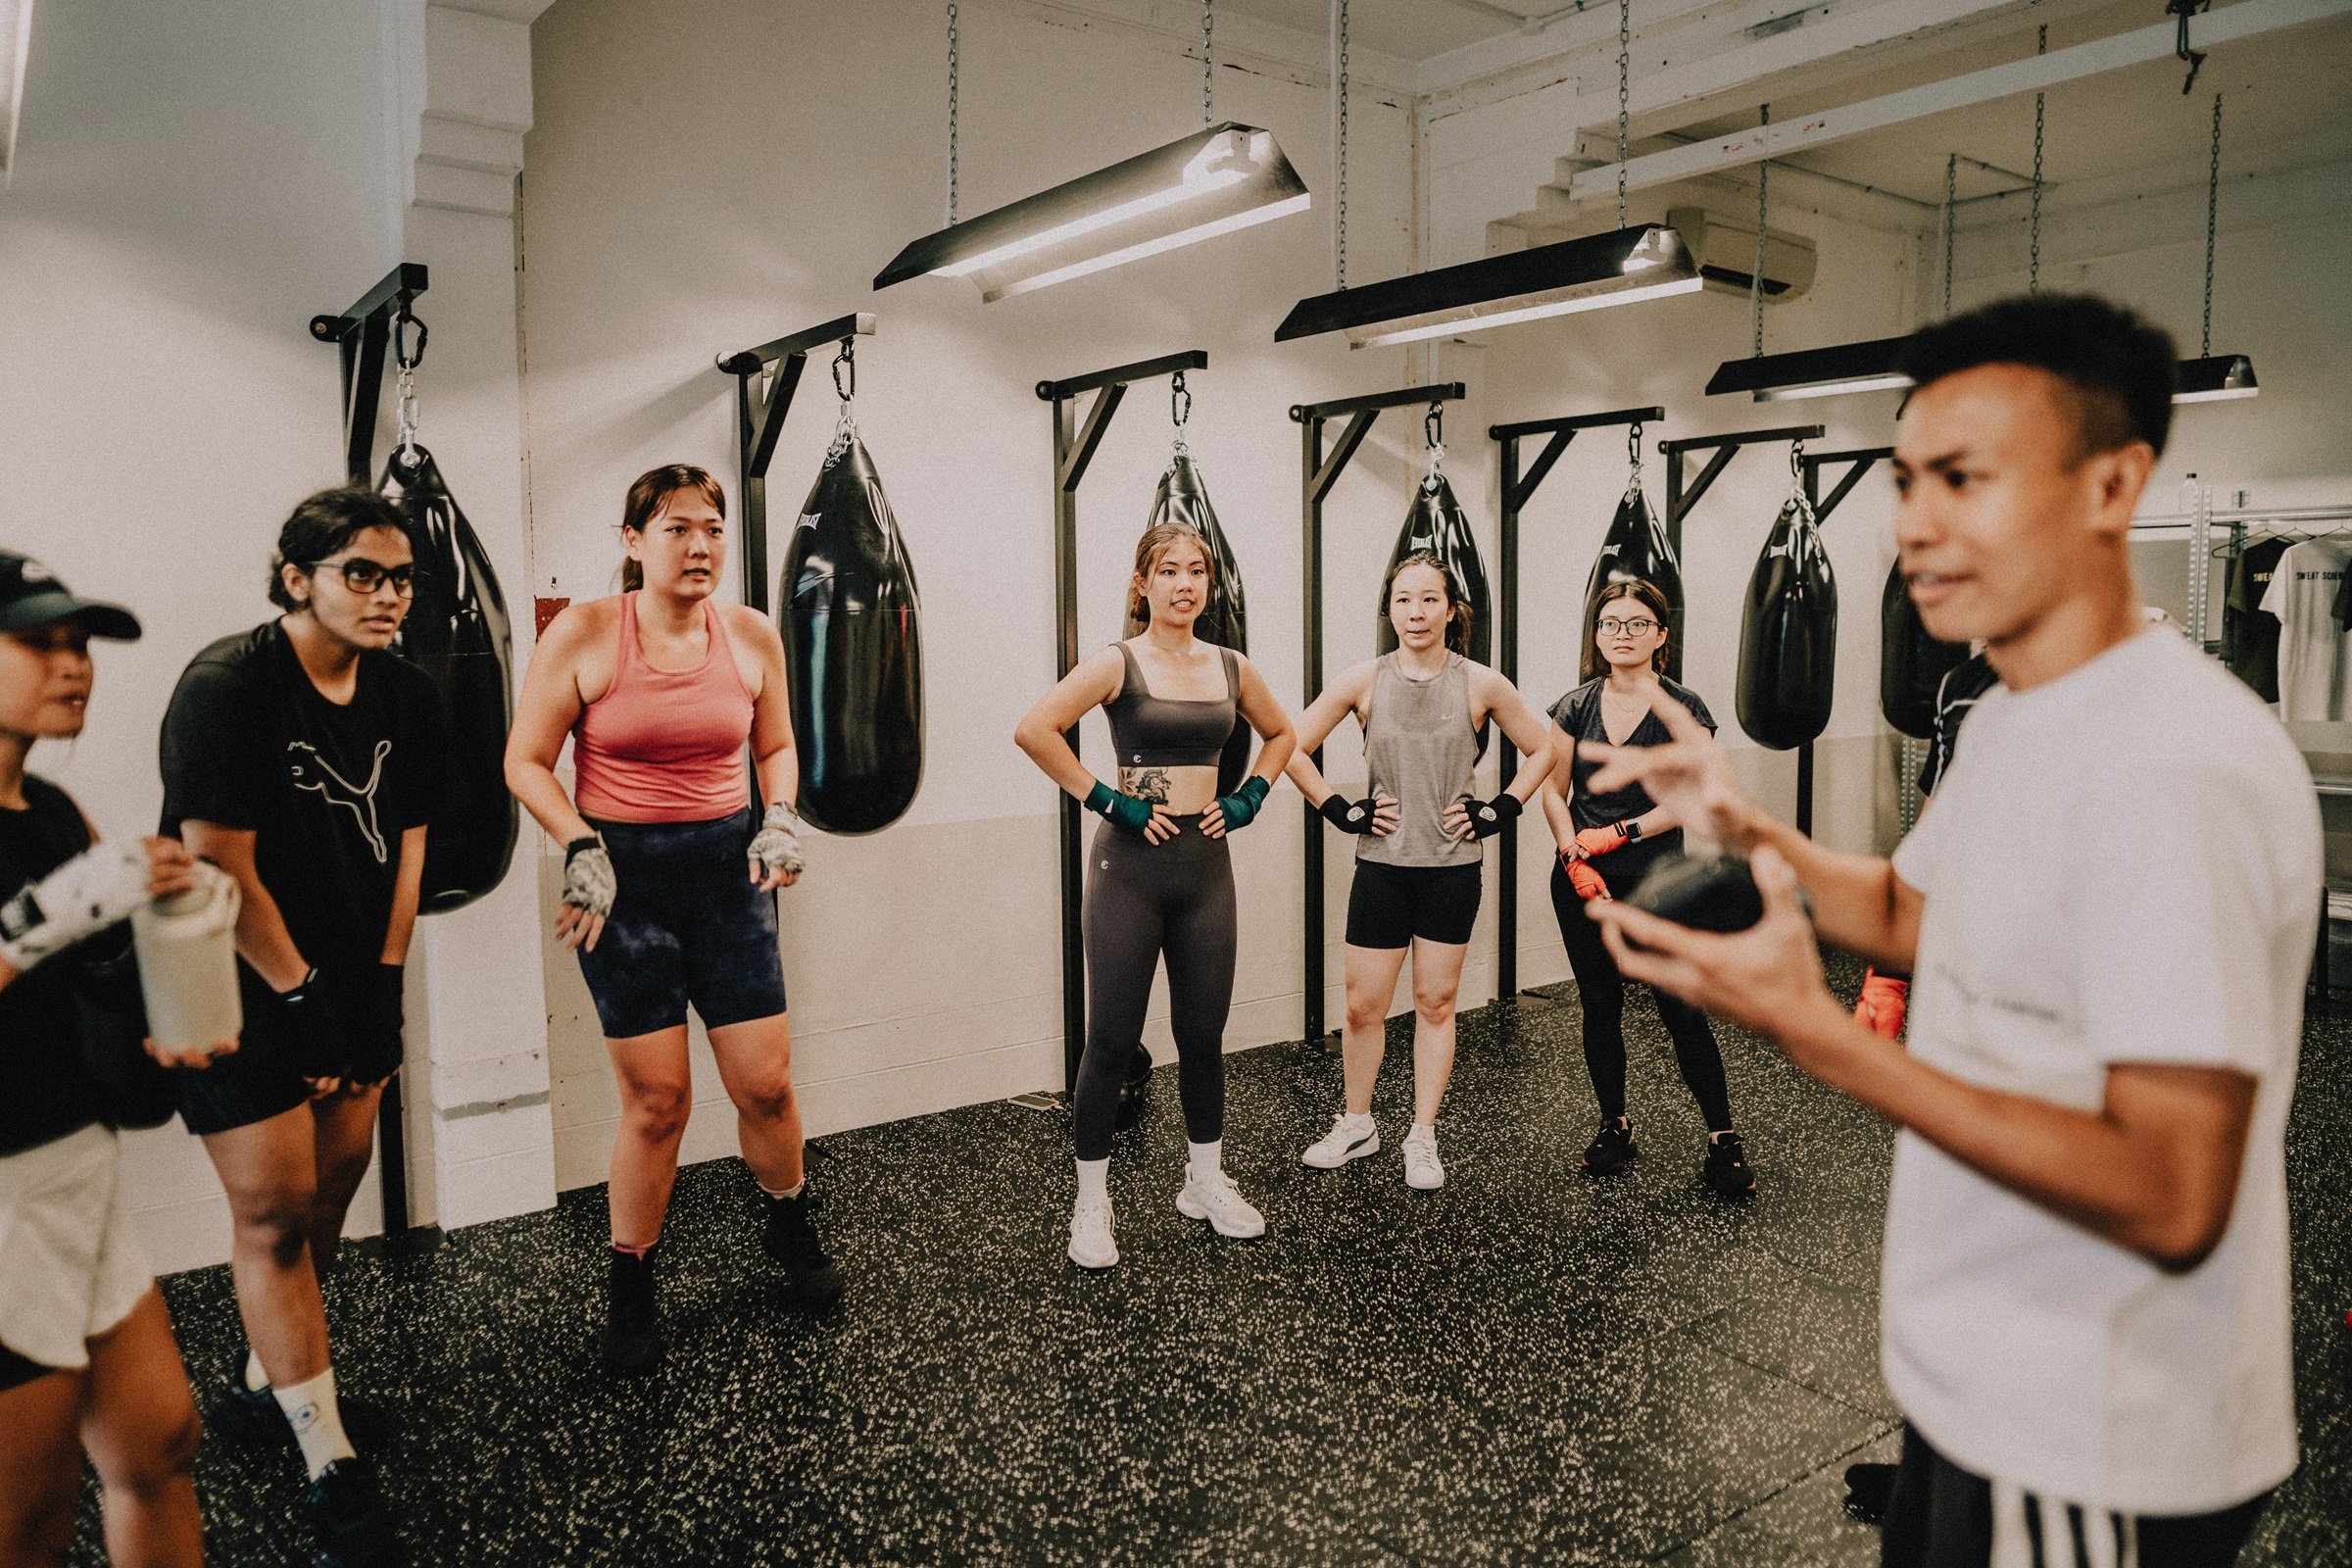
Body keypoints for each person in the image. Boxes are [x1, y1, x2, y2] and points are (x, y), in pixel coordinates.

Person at [1586, 293, 2313, 1566]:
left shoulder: (2171, 764)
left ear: (2112, 484)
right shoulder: (2020, 716)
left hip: (2093, 1430)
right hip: (1980, 1387)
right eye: (1909, 478)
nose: (1916, 522)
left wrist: (1815, 1033)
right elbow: (1912, 911)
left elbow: (2171, 1185)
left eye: (1965, 479)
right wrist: (1750, 829)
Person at [159, 488, 447, 1564]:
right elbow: (219, 862)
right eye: (360, 573)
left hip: (346, 978)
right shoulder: (228, 686)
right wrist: (302, 997)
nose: (386, 595)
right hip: (233, 980)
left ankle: (262, 1385)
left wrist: (378, 982)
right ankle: (326, 1458)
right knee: (276, 1214)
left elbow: (411, 841)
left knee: (333, 1187)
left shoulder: (409, 696)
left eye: (401, 577)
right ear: (297, 578)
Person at [507, 465, 838, 1377]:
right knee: (658, 1103)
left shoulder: (750, 635)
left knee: (764, 1085)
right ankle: (632, 1285)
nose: (699, 547)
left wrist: (778, 815)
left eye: (712, 530)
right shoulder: (585, 632)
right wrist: (578, 845)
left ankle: (787, 1224)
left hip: (728, 878)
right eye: (676, 529)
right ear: (632, 541)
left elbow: (774, 744)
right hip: (623, 882)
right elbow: (527, 761)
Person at [0, 553, 226, 1568]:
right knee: (28, 1514)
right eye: (39, 640)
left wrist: (171, 995)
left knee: (158, 1437)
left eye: (80, 641)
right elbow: (42, 933)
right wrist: (41, 919)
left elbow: (95, 981)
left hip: (79, 1171)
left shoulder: (53, 814)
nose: (73, 663)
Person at [1014, 521, 1296, 1270]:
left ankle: (1204, 1181)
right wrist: (1110, 801)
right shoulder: (1118, 662)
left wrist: (1248, 798)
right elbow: (1035, 729)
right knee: (1109, 1040)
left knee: (1203, 1038)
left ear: (1209, 584)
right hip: (1129, 873)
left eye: (1196, 570)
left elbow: (1281, 735)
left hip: (1206, 872)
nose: (1183, 582)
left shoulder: (1232, 666)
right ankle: (1092, 1205)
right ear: (1142, 584)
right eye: (1167, 570)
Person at [1286, 551, 1553, 1188]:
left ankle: (1423, 1136)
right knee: (1361, 1008)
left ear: (1451, 609)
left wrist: (1501, 809)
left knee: (1435, 1004)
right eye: (1404, 599)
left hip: (1450, 870)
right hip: (1381, 867)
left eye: (1429, 599)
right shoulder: (1362, 680)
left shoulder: (1482, 683)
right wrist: (1340, 810)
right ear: (1389, 607)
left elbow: (1545, 748)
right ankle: (1357, 1122)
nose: (1416, 612)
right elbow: (1289, 746)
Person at [1541, 577, 1754, 1197]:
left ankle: (1722, 1137)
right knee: (1600, 1006)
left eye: (1637, 624)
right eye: (1611, 624)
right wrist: (1572, 853)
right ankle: (1616, 1125)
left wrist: (1622, 834)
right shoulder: (1574, 706)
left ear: (1661, 635)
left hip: (1662, 881)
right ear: (1597, 634)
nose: (1622, 635)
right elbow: (1554, 791)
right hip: (1582, 879)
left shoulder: (1683, 707)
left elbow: (1695, 795)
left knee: (1680, 1009)